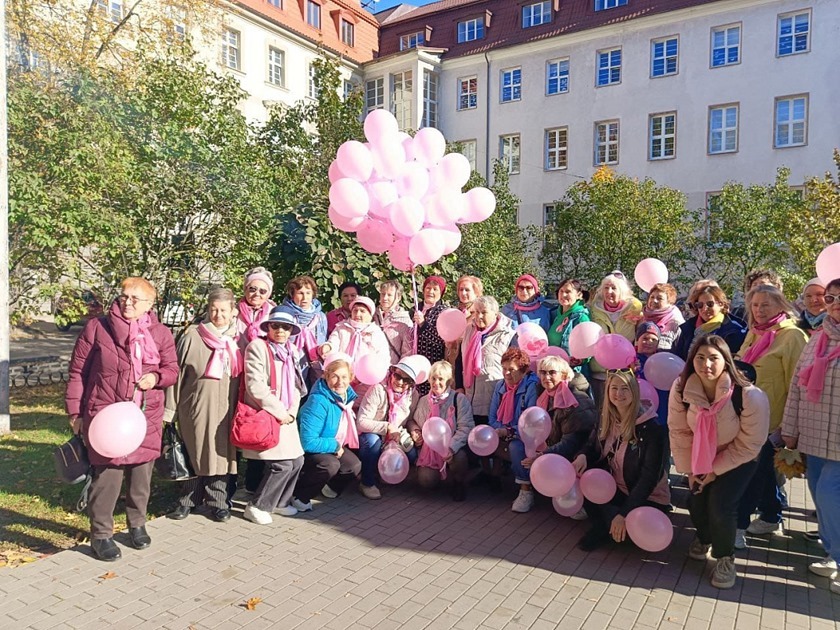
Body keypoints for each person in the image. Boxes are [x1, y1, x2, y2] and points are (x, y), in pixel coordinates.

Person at [66, 277, 179, 561]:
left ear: (150, 305)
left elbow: (172, 370)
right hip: (105, 415)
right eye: (124, 296)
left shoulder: (161, 333)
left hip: (145, 416)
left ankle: (136, 524)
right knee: (108, 477)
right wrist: (75, 412)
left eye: (135, 299)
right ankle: (101, 534)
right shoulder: (97, 328)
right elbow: (78, 372)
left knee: (141, 475)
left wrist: (156, 377)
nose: (127, 302)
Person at [669, 335, 769, 588]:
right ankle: (704, 538)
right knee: (695, 500)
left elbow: (749, 444)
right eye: (700, 358)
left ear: (726, 362)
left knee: (721, 506)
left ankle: (725, 557)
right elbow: (679, 431)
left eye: (714, 358)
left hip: (740, 456)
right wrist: (691, 471)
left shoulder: (749, 396)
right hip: (699, 454)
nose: (707, 365)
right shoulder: (681, 388)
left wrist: (712, 471)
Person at [735, 285, 807, 546]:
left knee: (753, 473)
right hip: (746, 416)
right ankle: (771, 515)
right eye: (755, 305)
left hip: (773, 421)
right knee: (763, 472)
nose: (759, 310)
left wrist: (788, 427)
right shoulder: (754, 334)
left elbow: (796, 386)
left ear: (781, 305)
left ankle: (739, 525)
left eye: (766, 304)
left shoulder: (793, 337)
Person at [781, 278, 840, 594]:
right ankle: (833, 553)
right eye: (831, 297)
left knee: (831, 495)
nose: (835, 302)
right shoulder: (817, 339)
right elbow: (797, 389)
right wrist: (790, 430)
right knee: (820, 495)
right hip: (815, 435)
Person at [164, 288, 242, 523]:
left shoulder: (239, 340)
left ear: (233, 312)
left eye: (223, 310)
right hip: (196, 405)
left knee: (221, 454)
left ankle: (218, 502)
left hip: (227, 408)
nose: (218, 315)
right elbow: (176, 375)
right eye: (214, 309)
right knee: (194, 450)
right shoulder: (192, 336)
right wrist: (170, 410)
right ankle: (187, 500)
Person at [573, 370, 671, 553]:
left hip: (646, 495)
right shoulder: (605, 418)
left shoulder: (653, 429)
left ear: (634, 392)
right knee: (583, 477)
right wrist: (582, 455)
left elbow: (649, 479)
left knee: (632, 537)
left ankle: (612, 522)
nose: (619, 394)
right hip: (615, 486)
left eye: (625, 388)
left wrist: (624, 513)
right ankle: (603, 525)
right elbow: (591, 445)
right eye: (614, 388)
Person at [240, 309, 308, 525]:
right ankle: (258, 505)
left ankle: (280, 502)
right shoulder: (257, 347)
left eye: (286, 327)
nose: (280, 330)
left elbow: (298, 384)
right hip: (266, 414)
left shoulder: (292, 351)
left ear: (291, 331)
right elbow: (255, 385)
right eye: (275, 325)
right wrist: (279, 411)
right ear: (268, 327)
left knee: (297, 461)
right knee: (282, 465)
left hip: (286, 414)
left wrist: (291, 412)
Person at [523, 355, 597, 518]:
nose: (546, 377)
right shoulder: (546, 395)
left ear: (564, 375)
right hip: (560, 447)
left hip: (583, 454)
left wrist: (542, 455)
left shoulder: (575, 401)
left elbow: (572, 443)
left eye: (552, 372)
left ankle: (578, 500)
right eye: (542, 372)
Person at [294, 359, 363, 509]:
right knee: (330, 464)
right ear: (326, 376)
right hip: (308, 449)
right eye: (335, 376)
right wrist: (335, 446)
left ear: (351, 378)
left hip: (330, 444)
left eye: (344, 377)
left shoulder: (346, 400)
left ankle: (328, 487)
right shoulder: (318, 401)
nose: (340, 382)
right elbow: (307, 442)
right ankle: (299, 496)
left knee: (353, 465)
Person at [355, 356, 425, 499]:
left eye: (406, 380)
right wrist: (387, 427)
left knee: (413, 455)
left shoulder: (413, 395)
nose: (400, 382)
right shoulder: (378, 389)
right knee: (372, 442)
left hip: (395, 435)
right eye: (397, 375)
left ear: (412, 384)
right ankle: (367, 482)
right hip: (373, 433)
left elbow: (409, 419)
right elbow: (361, 422)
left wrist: (415, 430)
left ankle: (384, 473)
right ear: (392, 372)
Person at [408, 361, 474, 502]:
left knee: (459, 458)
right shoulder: (424, 400)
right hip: (429, 451)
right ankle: (439, 477)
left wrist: (451, 447)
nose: (436, 382)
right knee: (426, 481)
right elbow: (413, 421)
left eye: (441, 379)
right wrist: (415, 431)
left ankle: (458, 482)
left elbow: (466, 427)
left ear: (449, 381)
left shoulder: (459, 400)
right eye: (433, 378)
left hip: (453, 448)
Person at [487, 348, 539, 505]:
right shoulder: (500, 386)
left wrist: (509, 431)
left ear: (523, 371)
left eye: (511, 370)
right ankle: (492, 477)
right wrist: (500, 430)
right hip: (503, 430)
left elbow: (531, 420)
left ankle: (526, 490)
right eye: (504, 369)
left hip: (524, 435)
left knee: (516, 447)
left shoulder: (531, 387)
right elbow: (492, 417)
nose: (506, 373)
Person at [588, 271, 643, 407]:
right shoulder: (593, 311)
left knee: (623, 413)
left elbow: (639, 339)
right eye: (606, 288)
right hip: (600, 373)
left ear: (622, 291)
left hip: (624, 373)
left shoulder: (633, 311)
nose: (609, 292)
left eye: (614, 288)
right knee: (601, 415)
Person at [457, 296, 516, 424]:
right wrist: (459, 386)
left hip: (493, 397)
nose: (479, 316)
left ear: (495, 313)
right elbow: (459, 360)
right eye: (476, 312)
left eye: (484, 312)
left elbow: (515, 369)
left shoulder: (507, 335)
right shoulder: (468, 330)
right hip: (468, 396)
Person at [320, 296, 389, 403]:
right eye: (355, 310)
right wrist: (327, 347)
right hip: (341, 378)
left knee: (359, 406)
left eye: (362, 311)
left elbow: (383, 358)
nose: (358, 314)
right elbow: (333, 343)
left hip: (365, 382)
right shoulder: (341, 327)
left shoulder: (376, 333)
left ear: (370, 315)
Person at [671, 285, 747, 361]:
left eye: (710, 304)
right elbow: (678, 357)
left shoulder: (733, 331)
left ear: (721, 304)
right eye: (700, 305)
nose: (705, 308)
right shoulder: (688, 327)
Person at [278, 275, 328, 386]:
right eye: (300, 293)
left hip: (316, 363)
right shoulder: (285, 315)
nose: (305, 297)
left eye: (308, 293)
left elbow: (324, 338)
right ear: (292, 295)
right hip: (292, 362)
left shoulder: (320, 317)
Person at [412, 276, 449, 396]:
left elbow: (440, 339)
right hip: (413, 361)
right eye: (428, 288)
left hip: (431, 363)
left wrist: (423, 324)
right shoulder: (415, 308)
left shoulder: (443, 311)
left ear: (441, 293)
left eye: (435, 289)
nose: (430, 292)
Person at [547, 279, 591, 371]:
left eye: (568, 292)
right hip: (553, 369)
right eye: (561, 291)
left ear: (579, 295)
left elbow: (588, 350)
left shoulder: (581, 318)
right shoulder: (554, 314)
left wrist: (575, 361)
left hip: (572, 372)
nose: (563, 295)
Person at [634, 322, 669, 427]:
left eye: (653, 340)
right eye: (645, 338)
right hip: (637, 413)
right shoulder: (630, 359)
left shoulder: (663, 360)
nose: (649, 342)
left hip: (661, 412)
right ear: (637, 340)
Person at [446, 275, 484, 365]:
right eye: (461, 289)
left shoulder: (481, 313)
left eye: (467, 290)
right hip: (454, 358)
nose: (463, 293)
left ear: (476, 292)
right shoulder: (454, 312)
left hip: (473, 359)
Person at [374, 280, 412, 365]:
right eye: (383, 294)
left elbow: (407, 352)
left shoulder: (404, 322)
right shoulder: (372, 316)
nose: (385, 298)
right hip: (372, 366)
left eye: (389, 295)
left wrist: (399, 371)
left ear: (398, 297)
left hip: (392, 368)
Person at [236, 267, 275, 347]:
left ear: (268, 294)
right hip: (237, 356)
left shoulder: (274, 313)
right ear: (245, 289)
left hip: (264, 356)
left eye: (262, 291)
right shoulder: (234, 311)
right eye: (252, 289)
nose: (257, 294)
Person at [642, 283, 684, 350]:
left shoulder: (674, 321)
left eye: (660, 298)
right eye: (652, 297)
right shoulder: (643, 317)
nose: (654, 300)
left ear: (669, 302)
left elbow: (666, 347)